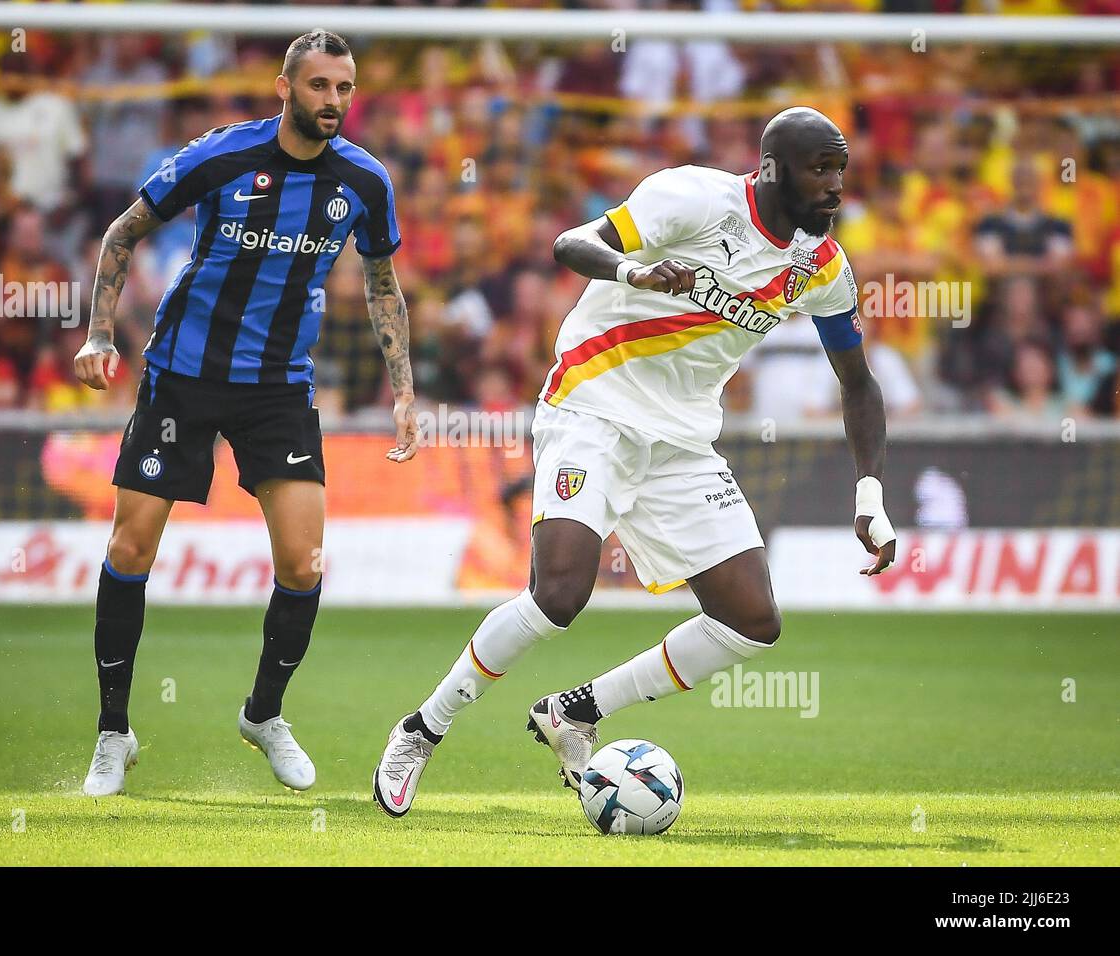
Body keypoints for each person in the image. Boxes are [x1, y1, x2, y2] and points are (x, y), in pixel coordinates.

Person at [373, 107, 896, 817]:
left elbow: (858, 383)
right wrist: (636, 271)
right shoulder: (693, 198)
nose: (835, 187)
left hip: (680, 441)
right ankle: (422, 728)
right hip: (594, 404)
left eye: (841, 170)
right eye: (820, 170)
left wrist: (870, 492)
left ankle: (578, 711)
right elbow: (571, 243)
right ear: (772, 169)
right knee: (558, 595)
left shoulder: (824, 271)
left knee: (752, 622)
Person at [73, 31, 416, 797]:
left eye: (346, 88)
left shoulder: (364, 180)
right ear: (284, 88)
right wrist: (98, 332)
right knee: (130, 549)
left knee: (303, 564)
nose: (335, 101)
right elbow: (122, 232)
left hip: (278, 388)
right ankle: (113, 732)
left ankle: (264, 715)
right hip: (182, 376)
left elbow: (384, 285)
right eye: (321, 86)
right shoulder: (220, 157)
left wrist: (403, 390)